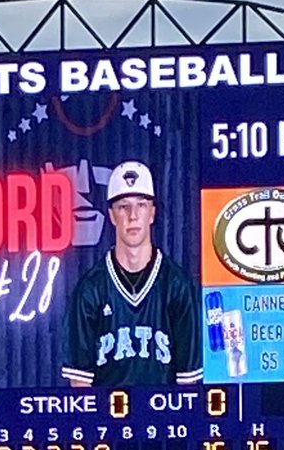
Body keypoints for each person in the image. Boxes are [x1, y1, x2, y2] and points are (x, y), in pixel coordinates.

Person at [61, 160, 202, 388]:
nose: (133, 216)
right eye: (123, 207)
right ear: (112, 215)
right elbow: (80, 384)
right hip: (105, 419)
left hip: (164, 419)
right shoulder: (90, 289)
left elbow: (188, 384)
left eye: (141, 205)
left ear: (153, 213)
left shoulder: (177, 286)